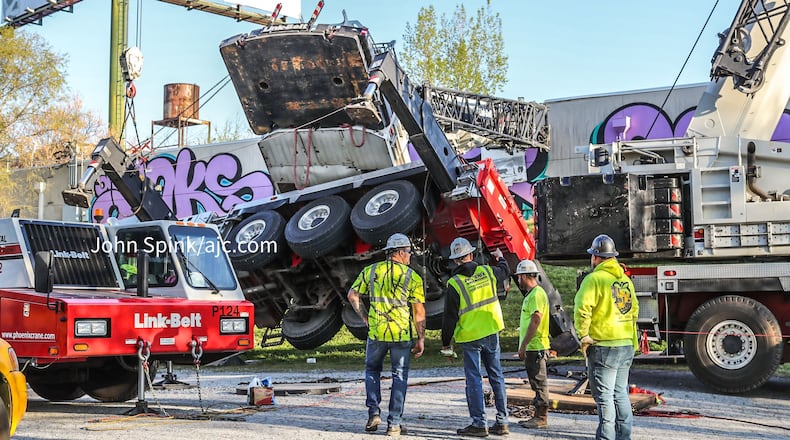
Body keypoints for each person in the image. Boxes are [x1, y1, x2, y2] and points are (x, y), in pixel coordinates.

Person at [347, 233, 426, 437]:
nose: (410, 256)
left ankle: (374, 412)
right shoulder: (412, 277)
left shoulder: (371, 271)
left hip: (376, 332)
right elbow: (419, 312)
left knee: (372, 371)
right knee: (399, 376)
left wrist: (365, 317)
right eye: (409, 252)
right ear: (399, 252)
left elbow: (352, 295)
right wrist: (421, 338)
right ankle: (394, 424)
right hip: (400, 335)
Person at [441, 237, 510, 437]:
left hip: (470, 337)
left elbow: (449, 318)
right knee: (496, 376)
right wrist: (500, 257)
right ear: (471, 254)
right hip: (491, 330)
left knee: (474, 380)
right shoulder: (487, 271)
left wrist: (446, 344)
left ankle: (480, 424)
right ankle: (503, 421)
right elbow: (505, 271)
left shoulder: (455, 284)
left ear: (455, 260)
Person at [574, 234, 640, 440]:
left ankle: (606, 437)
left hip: (604, 346)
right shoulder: (625, 281)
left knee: (604, 399)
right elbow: (634, 310)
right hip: (626, 344)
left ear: (595, 257)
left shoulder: (593, 279)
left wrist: (584, 336)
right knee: (620, 394)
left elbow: (582, 310)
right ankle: (624, 436)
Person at [514, 259, 550, 429]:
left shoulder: (536, 294)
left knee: (539, 383)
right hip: (533, 346)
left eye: (519, 276)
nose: (518, 280)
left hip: (536, 346)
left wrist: (523, 346)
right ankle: (538, 415)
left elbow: (536, 320)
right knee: (536, 382)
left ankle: (541, 418)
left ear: (525, 275)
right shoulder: (534, 294)